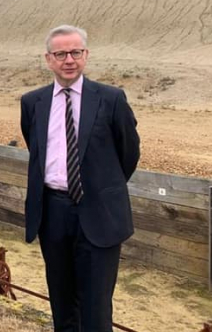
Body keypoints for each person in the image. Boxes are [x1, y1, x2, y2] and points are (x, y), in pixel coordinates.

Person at [20, 24, 140, 332]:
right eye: (60, 53)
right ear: (49, 59)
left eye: (75, 52)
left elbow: (128, 154)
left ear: (85, 55)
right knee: (62, 304)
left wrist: (99, 187)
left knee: (97, 308)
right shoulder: (33, 102)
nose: (68, 60)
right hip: (53, 213)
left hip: (98, 213)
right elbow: (35, 150)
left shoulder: (111, 99)